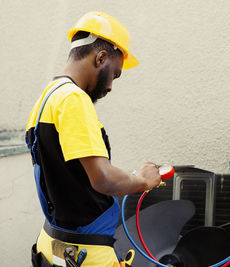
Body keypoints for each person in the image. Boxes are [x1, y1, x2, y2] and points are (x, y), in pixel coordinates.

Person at [26, 11, 162, 267]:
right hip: (86, 253)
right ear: (101, 57)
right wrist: (142, 180)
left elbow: (71, 175)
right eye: (115, 74)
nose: (110, 86)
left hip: (52, 245)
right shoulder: (74, 100)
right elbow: (103, 179)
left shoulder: (46, 98)